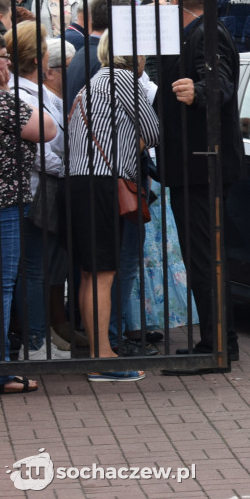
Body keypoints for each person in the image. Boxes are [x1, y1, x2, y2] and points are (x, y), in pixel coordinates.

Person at [157, 0, 244, 375]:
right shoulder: (197, 33)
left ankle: (217, 344)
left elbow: (219, 83)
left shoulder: (207, 34)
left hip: (201, 164)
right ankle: (217, 339)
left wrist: (200, 94)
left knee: (206, 256)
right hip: (191, 163)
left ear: (176, 3)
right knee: (204, 256)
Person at [67, 30, 158, 382]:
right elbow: (153, 133)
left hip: (78, 182)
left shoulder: (91, 83)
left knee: (90, 272)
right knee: (104, 274)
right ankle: (102, 356)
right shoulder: (125, 82)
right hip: (106, 183)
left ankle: (95, 350)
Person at [6, 22, 71, 360]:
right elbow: (38, 152)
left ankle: (34, 339)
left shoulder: (39, 92)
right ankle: (33, 344)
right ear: (39, 56)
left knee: (36, 270)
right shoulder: (20, 94)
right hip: (32, 193)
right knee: (31, 271)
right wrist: (66, 169)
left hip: (41, 189)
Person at [0, 31, 55, 395]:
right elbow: (47, 128)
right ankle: (0, 370)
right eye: (2, 57)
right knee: (1, 285)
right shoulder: (2, 102)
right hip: (4, 203)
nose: (7, 63)